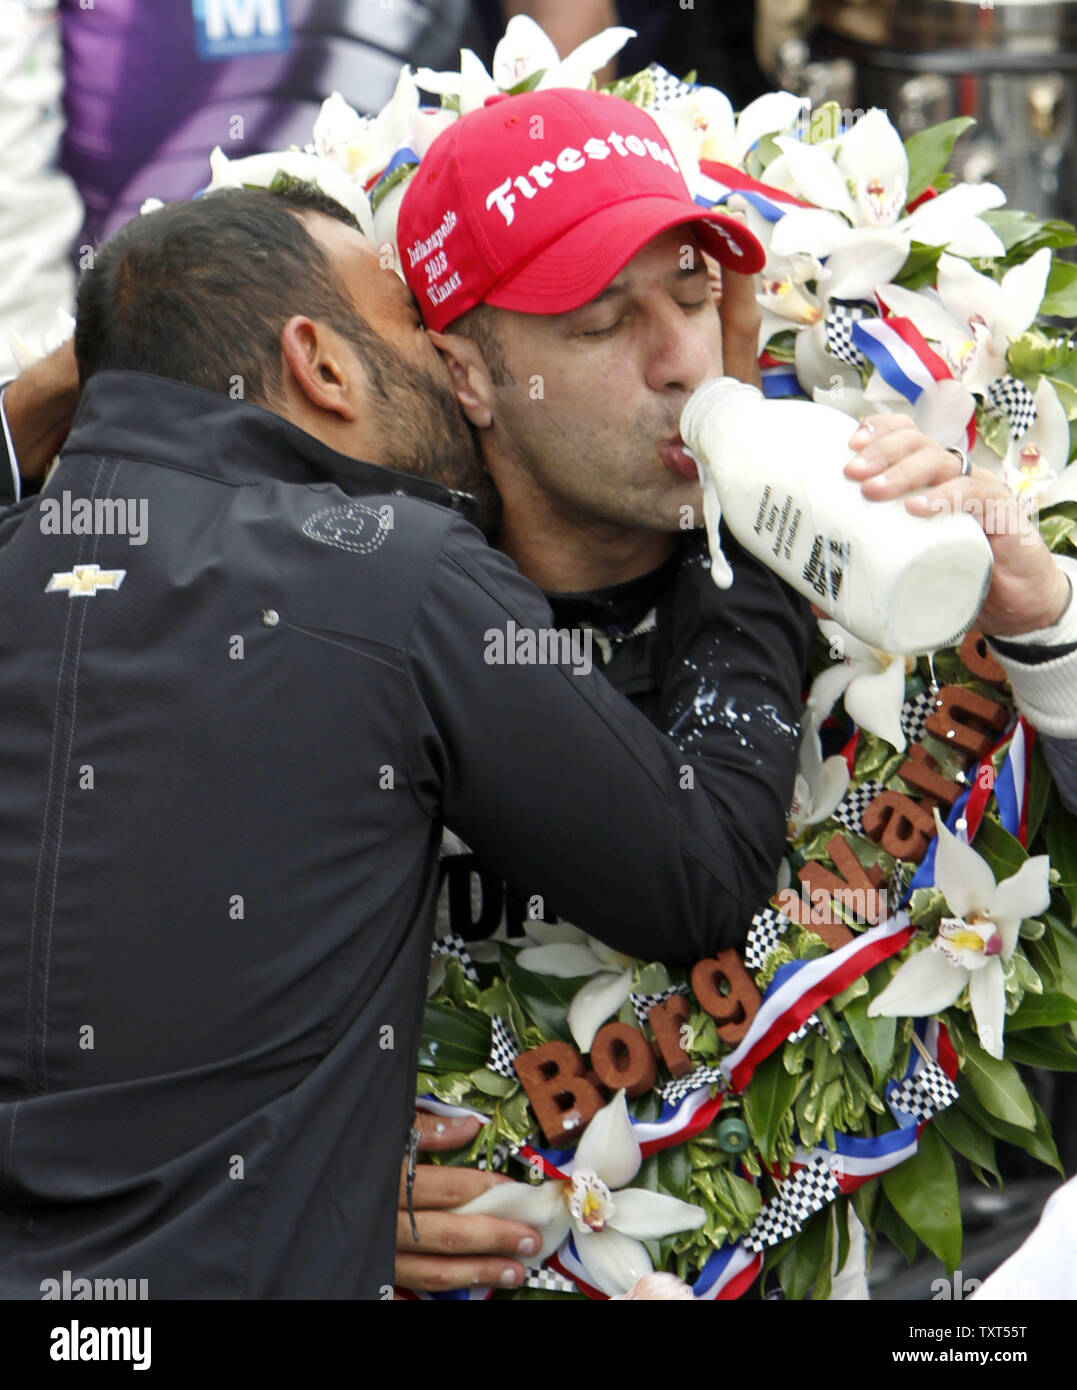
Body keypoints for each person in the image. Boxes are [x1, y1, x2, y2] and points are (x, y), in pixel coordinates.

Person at [0, 181, 813, 1298]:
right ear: (322, 366)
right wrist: (748, 509)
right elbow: (694, 873)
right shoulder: (391, 569)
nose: (445, 363)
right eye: (405, 325)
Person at [390, 86, 1077, 1294]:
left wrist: (1038, 624)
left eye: (698, 296)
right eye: (603, 324)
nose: (681, 361)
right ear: (470, 375)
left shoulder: (871, 512)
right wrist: (310, 1163)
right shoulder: (373, 619)